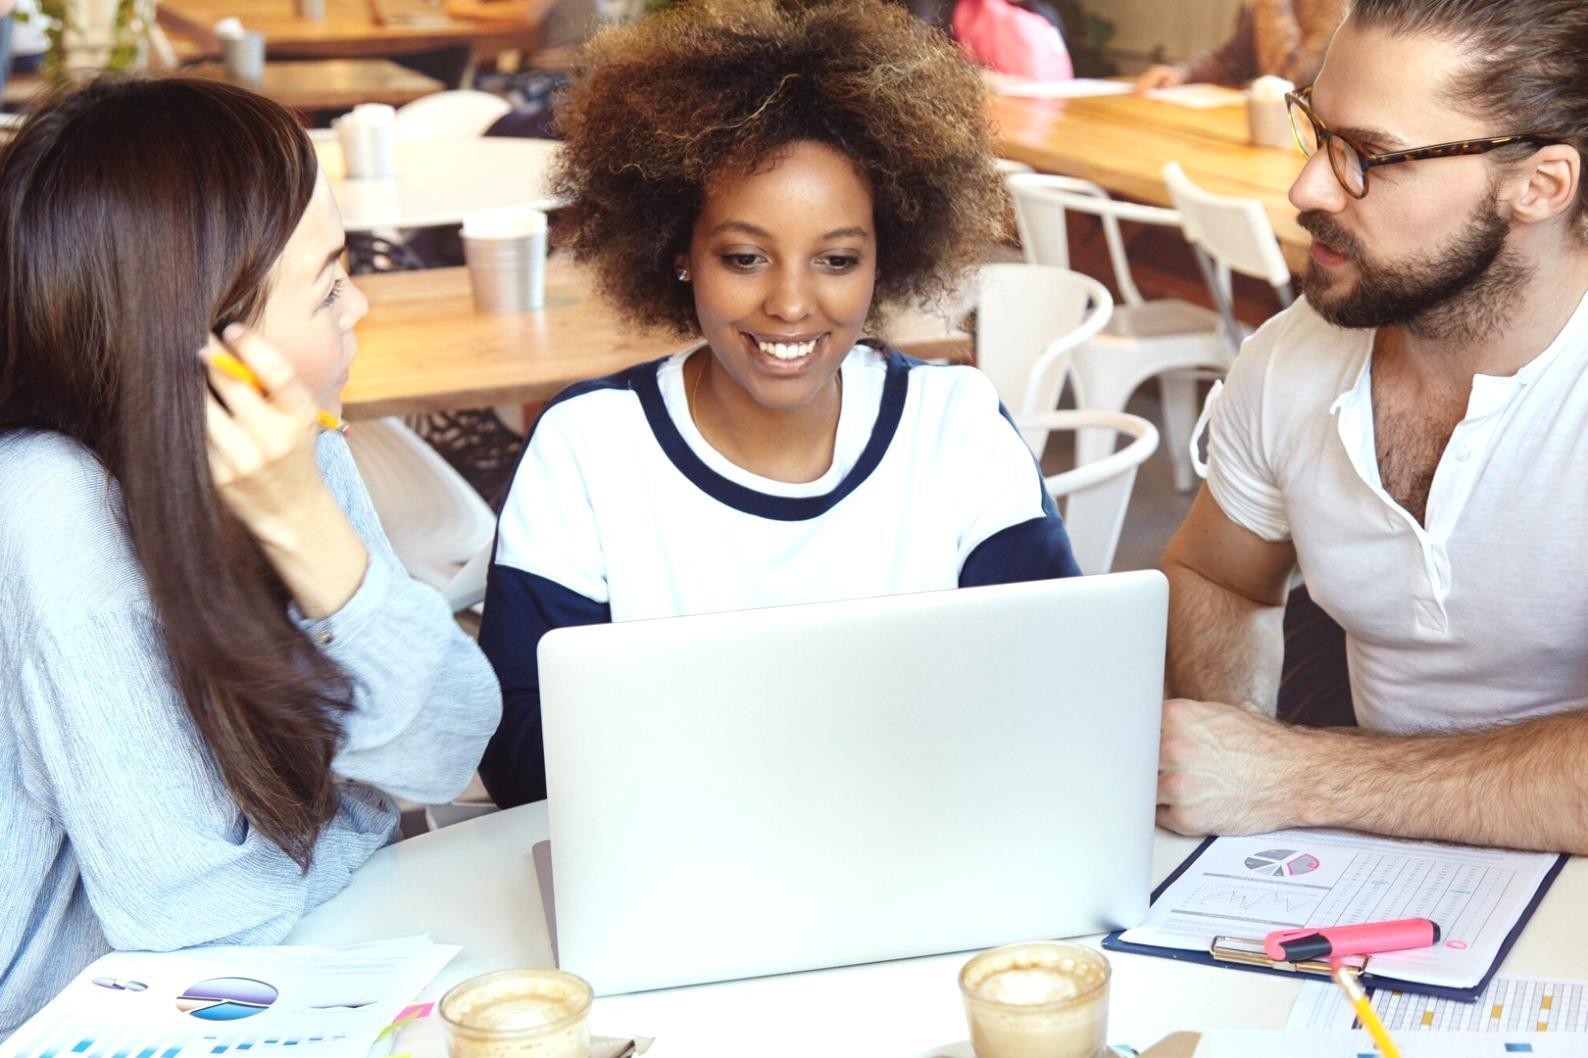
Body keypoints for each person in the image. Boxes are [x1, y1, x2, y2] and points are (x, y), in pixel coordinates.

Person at [477, 0, 1081, 808]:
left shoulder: (956, 428)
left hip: (919, 853)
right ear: (679, 249)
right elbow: (519, 758)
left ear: (884, 259)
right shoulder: (589, 447)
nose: (792, 304)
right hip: (677, 878)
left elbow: (1054, 693)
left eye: (836, 258)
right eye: (745, 256)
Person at [0, 78, 501, 1036]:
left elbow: (446, 748)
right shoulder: (46, 507)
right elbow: (192, 926)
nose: (358, 308)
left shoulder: (284, 445)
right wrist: (360, 817)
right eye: (325, 285)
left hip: (286, 970)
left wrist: (304, 519)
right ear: (206, 332)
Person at [1155, 0, 1588, 853]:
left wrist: (1295, 775)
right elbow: (1212, 574)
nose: (1308, 186)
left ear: (1539, 187)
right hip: (1355, 864)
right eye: (1316, 131)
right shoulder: (1290, 360)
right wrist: (1230, 759)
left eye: (1372, 158)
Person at [1135, 0, 1345, 91]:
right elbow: (1230, 60)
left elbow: (1292, 81)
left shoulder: (1349, 9)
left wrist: (1269, 4)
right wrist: (1182, 72)